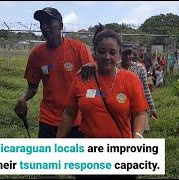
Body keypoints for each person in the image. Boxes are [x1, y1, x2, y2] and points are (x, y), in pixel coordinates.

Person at [57, 24, 148, 179]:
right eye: (102, 51)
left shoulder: (130, 80)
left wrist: (137, 137)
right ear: (94, 53)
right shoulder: (82, 78)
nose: (107, 56)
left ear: (119, 55)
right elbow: (69, 114)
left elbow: (139, 113)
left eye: (112, 52)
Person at [14, 7, 96, 139]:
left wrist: (91, 66)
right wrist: (23, 99)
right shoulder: (37, 54)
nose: (45, 27)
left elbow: (94, 74)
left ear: (61, 26)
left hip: (76, 119)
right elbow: (32, 86)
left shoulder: (78, 48)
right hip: (48, 120)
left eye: (49, 22)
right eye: (42, 23)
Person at [120, 42, 158, 131]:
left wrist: (152, 108)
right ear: (120, 54)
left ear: (132, 54)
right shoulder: (115, 67)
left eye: (129, 54)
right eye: (124, 54)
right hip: (120, 107)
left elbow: (145, 89)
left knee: (137, 132)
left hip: (137, 106)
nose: (127, 56)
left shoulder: (139, 68)